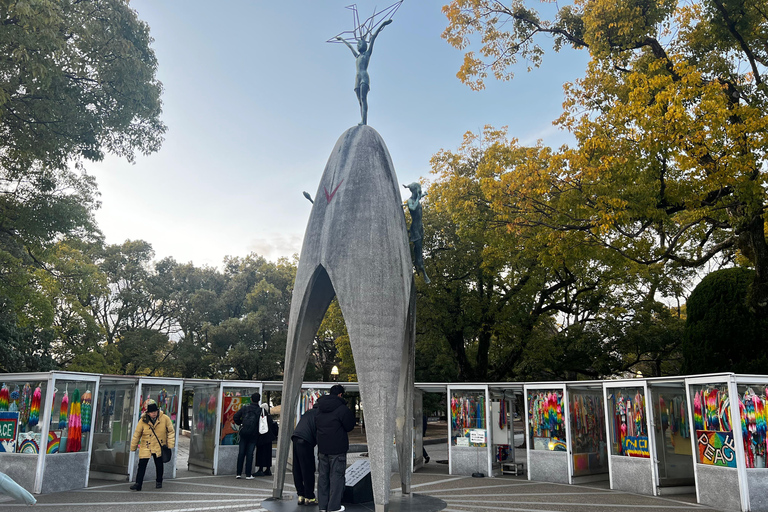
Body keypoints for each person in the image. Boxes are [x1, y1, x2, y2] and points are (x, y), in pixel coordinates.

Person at [335, 19, 392, 126]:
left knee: (363, 98)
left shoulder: (367, 54)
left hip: (364, 77)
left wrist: (383, 24)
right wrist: (342, 39)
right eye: (357, 45)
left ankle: (364, 121)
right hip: (357, 79)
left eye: (359, 44)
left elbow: (374, 37)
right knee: (360, 102)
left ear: (364, 45)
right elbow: (349, 46)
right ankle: (362, 119)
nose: (357, 46)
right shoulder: (357, 56)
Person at [315, 384, 356, 512]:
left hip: (322, 447)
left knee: (323, 477)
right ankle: (334, 506)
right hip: (338, 448)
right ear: (340, 395)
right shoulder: (342, 409)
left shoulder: (319, 407)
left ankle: (322, 505)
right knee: (337, 477)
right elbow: (349, 426)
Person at [129, 399, 175, 491]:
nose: (153, 413)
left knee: (159, 464)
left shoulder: (165, 418)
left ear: (158, 411)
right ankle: (138, 483)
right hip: (146, 445)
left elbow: (171, 431)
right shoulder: (143, 420)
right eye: (151, 412)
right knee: (142, 465)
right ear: (148, 413)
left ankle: (159, 481)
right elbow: (137, 434)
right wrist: (133, 447)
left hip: (159, 445)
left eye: (155, 411)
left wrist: (170, 444)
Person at [404, 182, 430, 283]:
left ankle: (418, 264)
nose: (420, 190)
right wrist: (419, 198)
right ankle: (423, 271)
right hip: (415, 229)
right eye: (418, 189)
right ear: (414, 190)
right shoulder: (410, 201)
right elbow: (412, 208)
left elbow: (417, 202)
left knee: (419, 249)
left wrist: (422, 195)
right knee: (419, 251)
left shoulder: (416, 199)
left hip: (420, 228)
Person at [292, 407, 319, 506]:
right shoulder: (320, 414)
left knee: (297, 468)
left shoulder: (309, 412)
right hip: (306, 440)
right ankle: (309, 497)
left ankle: (301, 495)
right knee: (308, 469)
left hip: (296, 437)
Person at [233, 392, 262, 479]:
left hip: (244, 433)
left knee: (241, 453)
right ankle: (248, 474)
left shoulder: (245, 408)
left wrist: (241, 424)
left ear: (251, 399)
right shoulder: (260, 410)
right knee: (250, 454)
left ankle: (238, 473)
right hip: (254, 434)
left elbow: (235, 417)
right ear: (259, 400)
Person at [254, 402, 276, 476]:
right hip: (269, 438)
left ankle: (260, 469)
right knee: (267, 454)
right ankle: (268, 469)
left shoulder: (262, 416)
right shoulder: (269, 417)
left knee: (261, 453)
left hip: (262, 437)